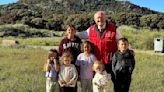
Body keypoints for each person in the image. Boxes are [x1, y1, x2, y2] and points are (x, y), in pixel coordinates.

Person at [76, 11, 122, 82]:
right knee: (96, 83)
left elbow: (121, 42)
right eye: (98, 18)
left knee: (113, 82)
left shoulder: (114, 29)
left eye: (102, 17)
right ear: (94, 20)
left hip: (110, 62)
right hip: (96, 62)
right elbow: (81, 34)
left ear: (105, 18)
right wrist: (72, 33)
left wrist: (129, 51)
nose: (100, 19)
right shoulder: (91, 29)